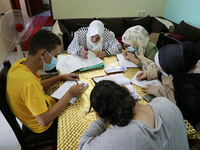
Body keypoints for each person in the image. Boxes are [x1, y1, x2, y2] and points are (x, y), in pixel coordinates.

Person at [6, 29, 85, 133]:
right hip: (43, 125)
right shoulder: (28, 82)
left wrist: (60, 77)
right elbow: (44, 120)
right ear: (42, 53)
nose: (56, 59)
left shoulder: (21, 65)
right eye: (55, 56)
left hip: (41, 108)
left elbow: (37, 86)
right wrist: (70, 93)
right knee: (82, 115)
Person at [78, 80, 189, 150]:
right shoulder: (164, 102)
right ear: (125, 90)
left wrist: (102, 118)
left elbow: (82, 146)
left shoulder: (120, 136)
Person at [137, 41, 200, 128]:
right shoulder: (183, 62)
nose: (161, 71)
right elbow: (165, 71)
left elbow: (182, 103)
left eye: (161, 69)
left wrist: (157, 90)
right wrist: (148, 74)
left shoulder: (192, 83)